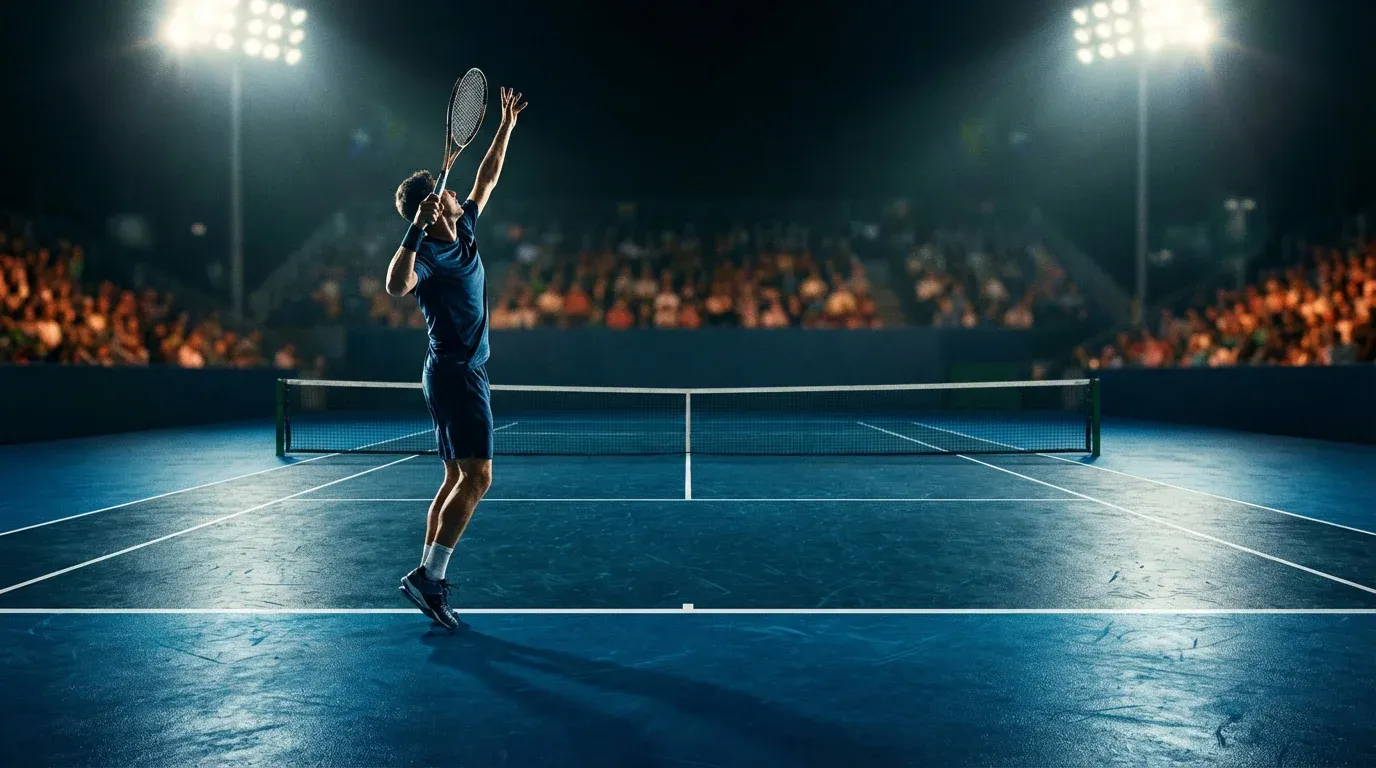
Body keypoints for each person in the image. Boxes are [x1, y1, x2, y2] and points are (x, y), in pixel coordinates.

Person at [385, 86, 528, 630]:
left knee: (453, 478)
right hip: (455, 374)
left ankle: (425, 575)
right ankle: (432, 578)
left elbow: (486, 178)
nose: (453, 195)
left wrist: (505, 127)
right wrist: (414, 229)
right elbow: (395, 285)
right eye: (442, 195)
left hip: (461, 371)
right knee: (479, 477)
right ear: (430, 206)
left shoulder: (465, 223)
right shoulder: (426, 254)